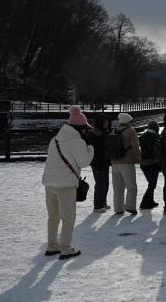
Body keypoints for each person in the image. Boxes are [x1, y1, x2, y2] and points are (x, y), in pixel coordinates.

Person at [41, 105, 94, 259]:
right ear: (81, 127)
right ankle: (65, 248)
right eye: (85, 129)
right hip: (66, 185)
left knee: (53, 216)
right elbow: (84, 162)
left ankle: (52, 246)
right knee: (68, 217)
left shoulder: (56, 138)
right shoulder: (77, 141)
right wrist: (89, 147)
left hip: (49, 183)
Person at [110, 113, 141, 215]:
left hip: (114, 162)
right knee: (131, 187)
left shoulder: (114, 131)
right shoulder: (131, 131)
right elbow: (135, 147)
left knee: (118, 188)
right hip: (127, 162)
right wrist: (138, 158)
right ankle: (130, 207)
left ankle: (118, 209)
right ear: (128, 121)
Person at [88, 114, 111, 212]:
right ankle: (97, 205)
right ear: (100, 122)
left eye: (107, 121)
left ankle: (103, 202)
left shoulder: (105, 132)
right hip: (97, 162)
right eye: (105, 121)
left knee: (105, 183)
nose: (107, 123)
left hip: (105, 161)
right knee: (100, 183)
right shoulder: (93, 134)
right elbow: (94, 149)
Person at [139, 121, 162, 210]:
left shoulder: (142, 137)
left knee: (151, 183)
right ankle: (144, 203)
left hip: (143, 164)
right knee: (152, 184)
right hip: (153, 163)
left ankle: (150, 201)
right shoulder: (157, 137)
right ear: (156, 128)